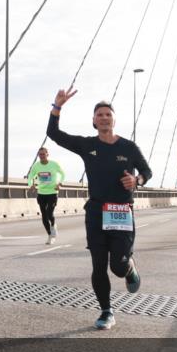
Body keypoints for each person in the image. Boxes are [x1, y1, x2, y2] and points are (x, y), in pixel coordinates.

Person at [47, 87, 151, 331]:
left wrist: (138, 181)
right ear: (94, 121)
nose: (104, 117)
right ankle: (106, 311)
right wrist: (57, 106)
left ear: (114, 119)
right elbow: (53, 133)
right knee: (98, 265)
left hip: (122, 211)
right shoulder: (86, 145)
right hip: (96, 212)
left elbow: (147, 171)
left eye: (108, 114)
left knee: (117, 265)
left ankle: (129, 267)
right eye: (100, 115)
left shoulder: (129, 147)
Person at [27, 146, 65, 244]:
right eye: (40, 154)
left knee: (49, 213)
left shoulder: (54, 164)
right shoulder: (36, 166)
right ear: (38, 155)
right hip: (41, 193)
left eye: (44, 154)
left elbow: (63, 174)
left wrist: (59, 183)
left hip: (52, 192)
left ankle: (53, 225)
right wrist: (31, 185)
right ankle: (50, 235)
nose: (42, 156)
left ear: (47, 154)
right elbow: (30, 176)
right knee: (44, 215)